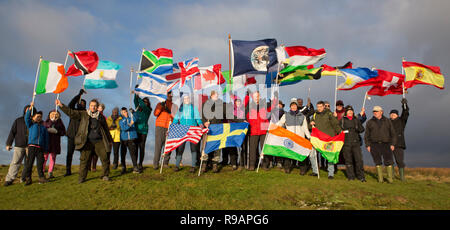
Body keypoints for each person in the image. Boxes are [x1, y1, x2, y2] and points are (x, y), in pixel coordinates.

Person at [56, 98, 113, 183]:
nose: (93, 107)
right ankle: (82, 178)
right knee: (84, 160)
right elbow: (71, 113)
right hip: (87, 141)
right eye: (91, 106)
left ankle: (105, 175)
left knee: (105, 158)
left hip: (99, 141)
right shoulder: (84, 114)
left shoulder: (101, 117)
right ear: (89, 106)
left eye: (95, 106)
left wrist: (110, 140)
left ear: (97, 107)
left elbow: (106, 129)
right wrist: (61, 105)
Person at [277, 99, 318, 175]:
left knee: (301, 154)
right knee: (288, 154)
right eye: (292, 106)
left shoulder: (302, 116)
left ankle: (302, 170)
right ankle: (287, 168)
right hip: (290, 138)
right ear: (290, 107)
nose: (293, 107)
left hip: (300, 138)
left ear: (297, 106)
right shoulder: (286, 115)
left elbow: (305, 128)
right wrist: (272, 127)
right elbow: (279, 124)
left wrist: (309, 137)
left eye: (295, 105)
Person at [4, 105, 35, 186]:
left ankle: (24, 178)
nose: (29, 110)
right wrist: (8, 143)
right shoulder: (18, 120)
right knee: (15, 162)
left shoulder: (34, 121)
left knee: (28, 163)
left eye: (31, 109)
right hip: (19, 145)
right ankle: (9, 179)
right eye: (28, 109)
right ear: (25, 110)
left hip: (30, 145)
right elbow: (12, 132)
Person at [364, 105, 397, 183]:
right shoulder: (369, 122)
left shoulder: (387, 121)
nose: (375, 113)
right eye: (374, 111)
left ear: (381, 112)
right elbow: (366, 135)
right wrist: (367, 145)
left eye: (377, 111)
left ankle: (390, 179)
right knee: (377, 161)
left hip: (386, 144)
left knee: (388, 161)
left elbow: (393, 134)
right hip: (374, 144)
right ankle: (380, 179)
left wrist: (393, 144)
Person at [310, 101, 341, 179]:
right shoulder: (315, 115)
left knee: (329, 156)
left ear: (324, 106)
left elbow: (335, 124)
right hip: (317, 139)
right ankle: (315, 171)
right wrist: (311, 123)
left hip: (328, 139)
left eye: (320, 106)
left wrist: (340, 132)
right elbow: (310, 126)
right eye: (318, 106)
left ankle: (331, 173)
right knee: (312, 155)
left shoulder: (329, 114)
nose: (319, 108)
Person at [172, 94, 203, 173]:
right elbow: (176, 119)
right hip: (183, 129)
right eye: (185, 98)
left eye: (188, 98)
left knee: (193, 148)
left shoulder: (193, 108)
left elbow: (197, 118)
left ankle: (193, 166)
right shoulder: (180, 109)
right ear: (183, 100)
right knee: (180, 148)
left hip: (192, 129)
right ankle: (177, 165)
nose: (186, 100)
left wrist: (200, 124)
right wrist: (172, 126)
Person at [246, 91, 275, 171]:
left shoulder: (264, 106)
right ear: (253, 97)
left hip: (263, 130)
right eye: (255, 97)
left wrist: (274, 99)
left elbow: (273, 106)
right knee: (252, 149)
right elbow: (244, 113)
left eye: (258, 96)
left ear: (260, 97)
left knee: (264, 149)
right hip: (253, 131)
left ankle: (264, 165)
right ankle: (252, 165)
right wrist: (247, 96)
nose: (257, 98)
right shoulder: (250, 106)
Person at [22, 103, 49, 185]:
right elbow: (26, 118)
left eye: (40, 117)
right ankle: (28, 179)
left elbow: (46, 139)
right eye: (37, 116)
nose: (39, 118)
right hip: (32, 147)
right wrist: (30, 109)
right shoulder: (30, 125)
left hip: (40, 148)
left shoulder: (43, 128)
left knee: (40, 163)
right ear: (33, 117)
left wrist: (46, 150)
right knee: (29, 163)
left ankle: (41, 177)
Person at [340, 105, 366, 182]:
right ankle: (351, 177)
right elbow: (338, 130)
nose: (350, 112)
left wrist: (357, 127)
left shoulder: (356, 120)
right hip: (346, 143)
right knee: (348, 161)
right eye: (348, 111)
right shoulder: (342, 120)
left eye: (351, 111)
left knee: (359, 160)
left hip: (356, 143)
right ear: (346, 112)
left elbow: (362, 130)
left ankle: (361, 177)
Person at [65, 89, 86, 176]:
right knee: (69, 153)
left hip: (80, 136)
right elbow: (71, 104)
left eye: (83, 103)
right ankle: (68, 171)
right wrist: (79, 95)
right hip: (71, 135)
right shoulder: (73, 111)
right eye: (80, 103)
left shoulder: (85, 113)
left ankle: (83, 169)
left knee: (83, 154)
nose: (81, 104)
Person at [153, 91, 175, 169]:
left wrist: (171, 116)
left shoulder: (174, 106)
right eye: (168, 94)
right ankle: (156, 164)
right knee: (158, 146)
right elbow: (155, 113)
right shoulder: (160, 103)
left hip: (169, 127)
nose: (170, 96)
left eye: (171, 95)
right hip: (160, 126)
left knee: (168, 146)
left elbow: (175, 117)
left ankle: (165, 163)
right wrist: (161, 106)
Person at [389, 98, 409, 181]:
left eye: (394, 114)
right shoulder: (387, 122)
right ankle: (391, 176)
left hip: (399, 144)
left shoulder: (401, 121)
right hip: (389, 144)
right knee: (389, 161)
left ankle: (402, 177)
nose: (392, 115)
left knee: (399, 161)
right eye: (391, 114)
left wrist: (404, 105)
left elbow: (405, 113)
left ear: (397, 115)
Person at [132, 92, 153, 172]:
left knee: (142, 147)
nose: (144, 103)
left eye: (146, 101)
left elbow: (143, 105)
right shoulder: (138, 108)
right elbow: (135, 100)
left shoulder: (148, 110)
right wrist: (136, 93)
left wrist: (139, 97)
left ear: (148, 104)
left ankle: (140, 164)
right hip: (136, 130)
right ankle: (136, 164)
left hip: (143, 131)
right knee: (136, 147)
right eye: (143, 101)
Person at [43, 110, 66, 179]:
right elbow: (42, 130)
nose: (54, 116)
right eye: (52, 114)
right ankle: (42, 172)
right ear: (49, 115)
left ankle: (50, 172)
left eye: (56, 114)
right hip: (46, 142)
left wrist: (57, 131)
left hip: (55, 143)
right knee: (44, 157)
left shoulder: (60, 123)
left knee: (52, 158)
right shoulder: (46, 122)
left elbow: (63, 132)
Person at [119, 107, 139, 174]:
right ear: (122, 113)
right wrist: (130, 124)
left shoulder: (131, 118)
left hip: (131, 138)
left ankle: (135, 167)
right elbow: (124, 128)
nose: (126, 113)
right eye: (124, 112)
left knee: (133, 153)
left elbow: (136, 117)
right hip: (124, 139)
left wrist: (133, 112)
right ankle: (123, 168)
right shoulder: (121, 121)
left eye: (126, 111)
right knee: (123, 154)